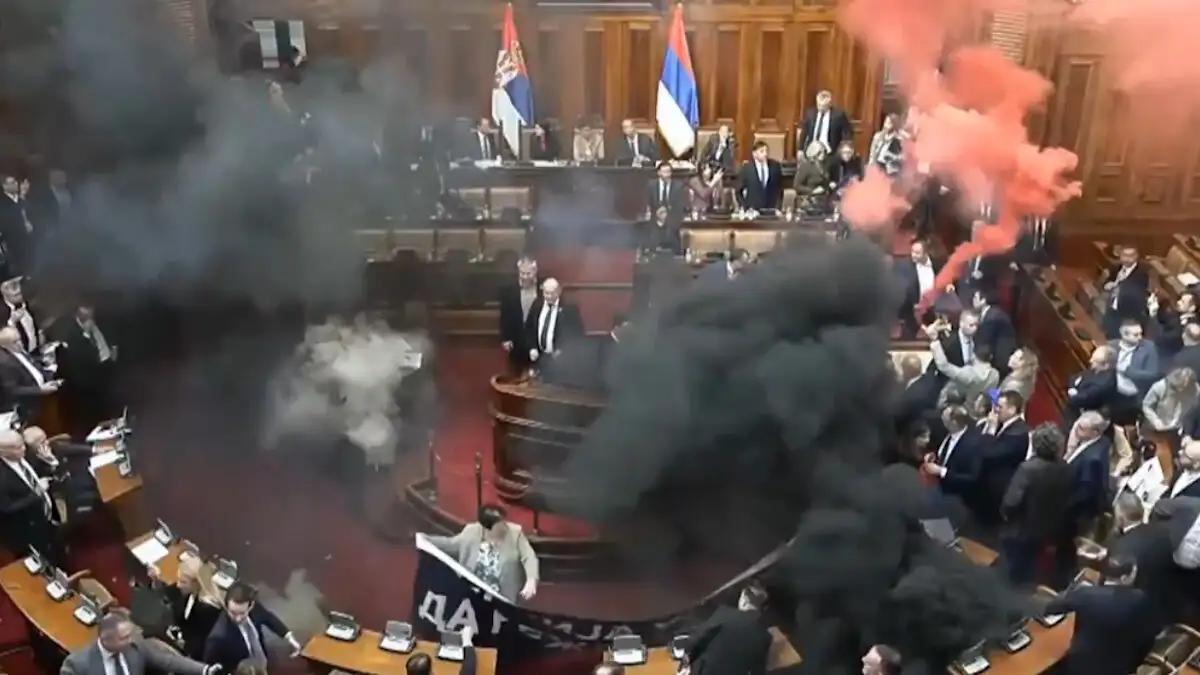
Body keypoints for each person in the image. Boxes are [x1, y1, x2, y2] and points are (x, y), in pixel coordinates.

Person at [1043, 556, 1162, 675]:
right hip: (1120, 669)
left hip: (1080, 667)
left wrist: (1072, 592)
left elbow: (1051, 608)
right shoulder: (1142, 600)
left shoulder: (1086, 594)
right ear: (1125, 578)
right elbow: (1149, 639)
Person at [998, 423, 1072, 586]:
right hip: (1044, 532)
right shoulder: (1064, 468)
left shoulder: (1028, 469)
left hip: (1019, 531)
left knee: (1009, 575)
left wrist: (1006, 516)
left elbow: (1011, 502)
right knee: (1029, 574)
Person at [423, 503, 540, 603]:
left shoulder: (515, 533)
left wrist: (531, 580)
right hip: (471, 596)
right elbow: (451, 544)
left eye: (504, 520)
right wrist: (426, 539)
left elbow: (529, 557)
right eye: (500, 524)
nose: (505, 525)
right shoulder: (471, 531)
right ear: (487, 528)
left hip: (501, 598)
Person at [61, 612, 219, 675]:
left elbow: (167, 661)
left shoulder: (135, 645)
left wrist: (204, 670)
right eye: (124, 638)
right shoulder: (76, 665)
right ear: (106, 639)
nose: (130, 639)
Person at [0, 427, 64, 567]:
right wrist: (37, 494)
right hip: (28, 529)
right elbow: (7, 508)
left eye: (22, 444)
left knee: (59, 548)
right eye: (18, 447)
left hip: (47, 515)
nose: (23, 449)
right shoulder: (2, 478)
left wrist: (50, 463)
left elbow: (37, 471)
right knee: (48, 562)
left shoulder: (25, 453)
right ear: (2, 452)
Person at [203, 581, 301, 672]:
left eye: (242, 613)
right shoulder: (218, 637)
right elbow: (209, 667)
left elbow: (268, 617)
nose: (238, 619)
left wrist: (289, 637)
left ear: (251, 606)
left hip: (260, 659)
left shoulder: (254, 607)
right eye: (233, 613)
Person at [684, 584, 772, 675]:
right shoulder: (765, 637)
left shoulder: (725, 614)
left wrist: (687, 659)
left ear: (744, 601)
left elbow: (699, 638)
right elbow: (758, 670)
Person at [155, 556, 220, 660]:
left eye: (183, 582)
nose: (178, 585)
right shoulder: (190, 593)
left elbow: (199, 643)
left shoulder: (206, 609)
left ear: (196, 583)